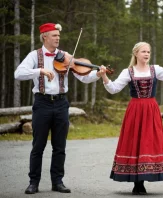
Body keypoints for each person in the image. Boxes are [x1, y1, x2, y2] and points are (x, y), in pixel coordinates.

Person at [14, 23, 103, 194]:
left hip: (61, 104)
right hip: (42, 103)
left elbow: (83, 77)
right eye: (54, 35)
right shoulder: (35, 55)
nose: (57, 38)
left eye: (58, 36)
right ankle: (34, 182)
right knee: (38, 145)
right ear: (45, 37)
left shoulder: (66, 57)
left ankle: (58, 182)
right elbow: (18, 73)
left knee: (59, 146)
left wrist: (97, 74)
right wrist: (39, 71)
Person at [99, 42, 163, 195]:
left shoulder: (155, 69)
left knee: (148, 142)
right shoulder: (128, 72)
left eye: (148, 52)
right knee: (134, 142)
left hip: (151, 109)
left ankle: (142, 180)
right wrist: (104, 75)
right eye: (143, 51)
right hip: (135, 110)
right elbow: (114, 89)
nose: (146, 54)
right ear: (136, 54)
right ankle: (137, 182)